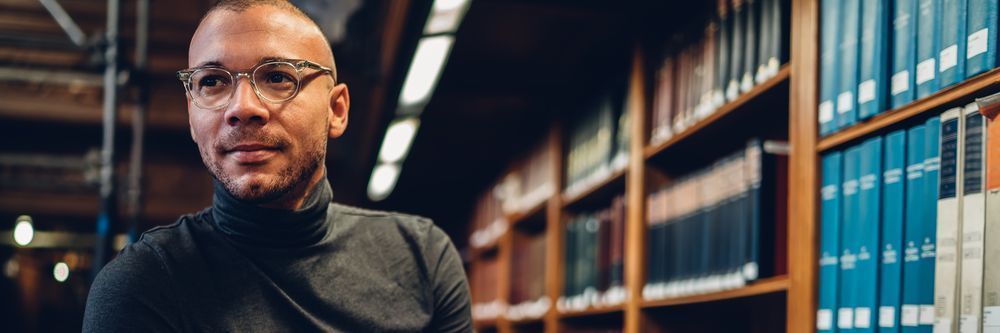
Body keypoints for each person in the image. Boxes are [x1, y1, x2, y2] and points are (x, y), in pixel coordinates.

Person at [82, 0, 473, 331]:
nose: (242, 108)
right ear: (191, 117)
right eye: (213, 82)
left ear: (336, 111)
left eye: (278, 77)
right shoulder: (143, 285)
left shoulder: (422, 259)